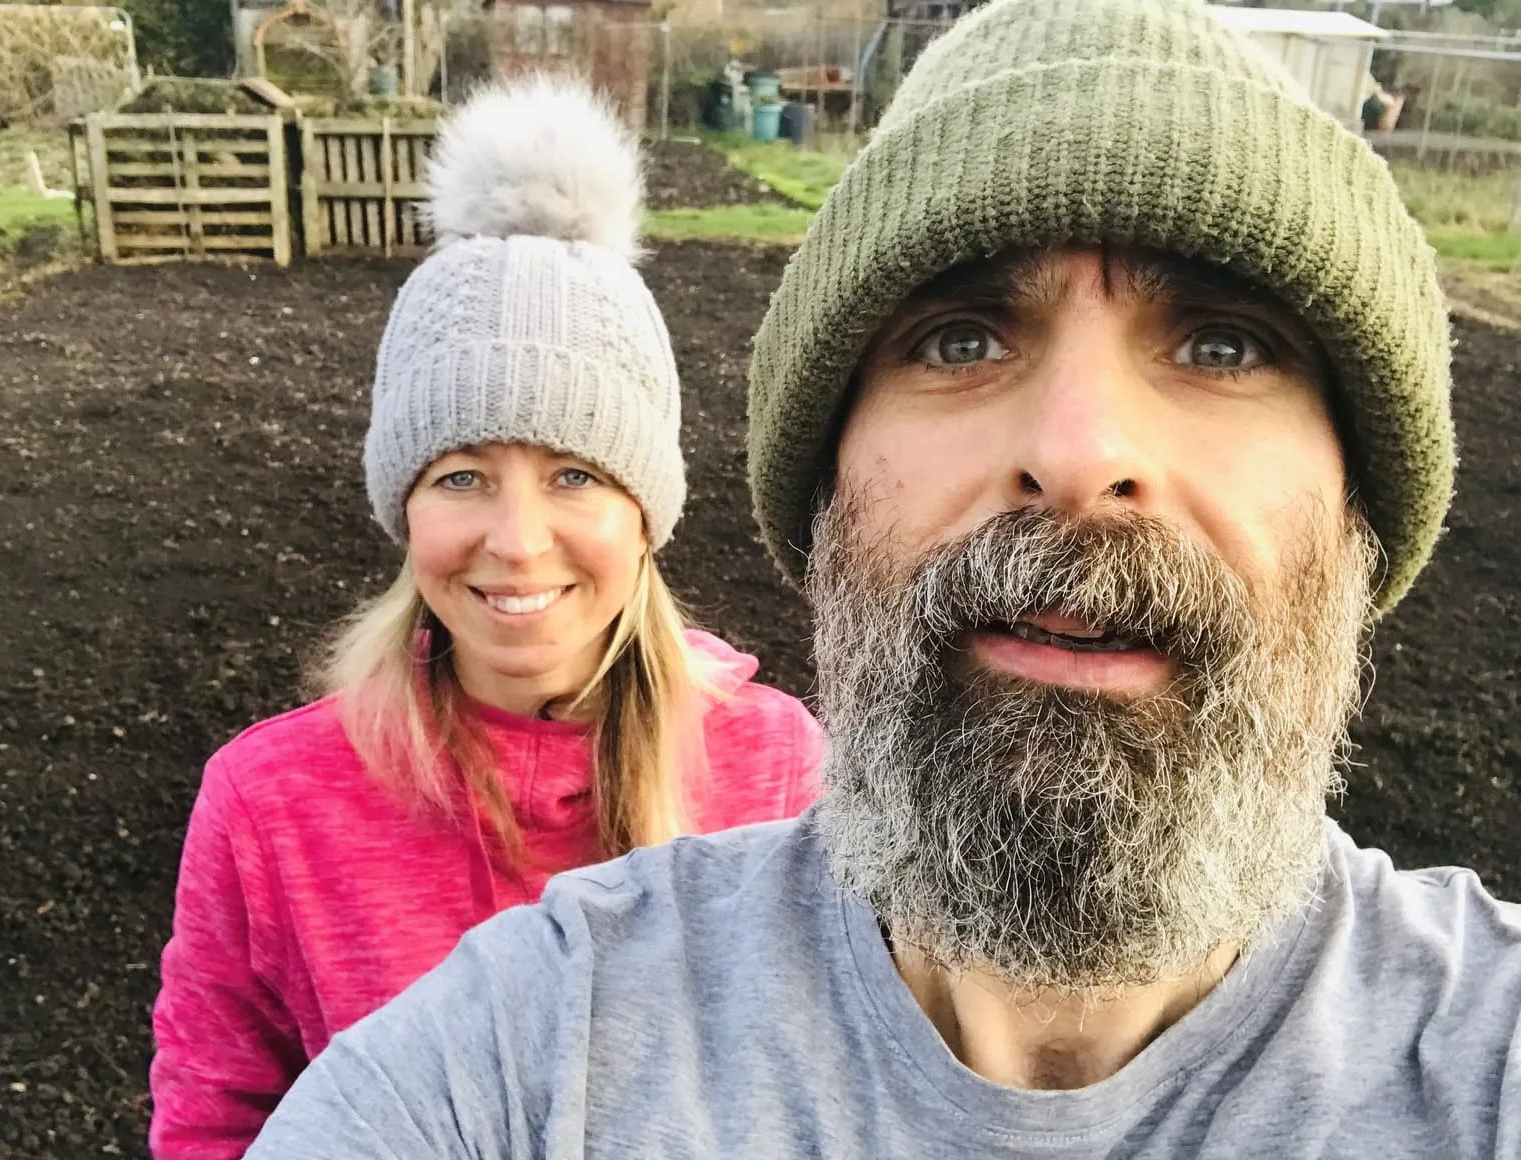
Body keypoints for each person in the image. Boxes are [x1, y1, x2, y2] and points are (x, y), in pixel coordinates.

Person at [243, 1, 1521, 1156]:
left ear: (1362, 506)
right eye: (960, 338)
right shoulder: (534, 1052)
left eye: (1222, 344)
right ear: (826, 490)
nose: (1077, 454)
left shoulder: (1480, 1061)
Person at [148, 76, 823, 1160]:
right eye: (461, 475)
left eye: (572, 475)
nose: (515, 539)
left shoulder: (777, 771)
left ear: (645, 510)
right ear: (401, 501)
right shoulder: (271, 806)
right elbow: (216, 1121)